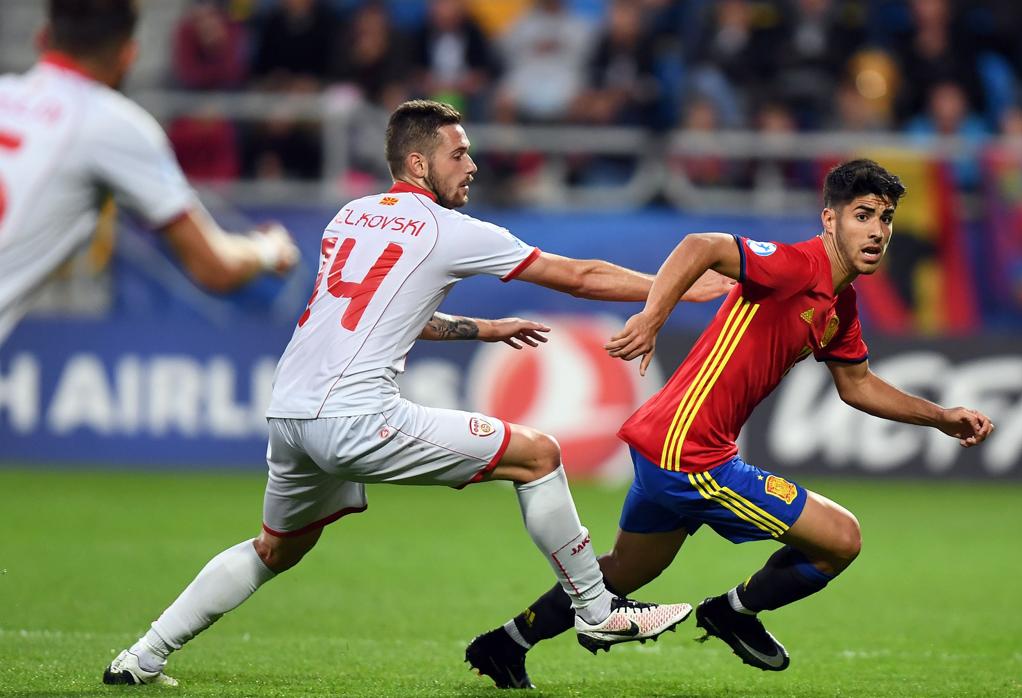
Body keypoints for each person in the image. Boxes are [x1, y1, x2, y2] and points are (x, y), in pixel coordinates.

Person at [103, 99, 733, 687]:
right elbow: (580, 277)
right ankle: (596, 610)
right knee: (537, 455)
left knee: (274, 547)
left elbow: (377, 310)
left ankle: (141, 657)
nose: (473, 165)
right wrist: (671, 288)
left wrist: (484, 328)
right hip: (354, 416)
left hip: (290, 412)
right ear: (417, 162)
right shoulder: (447, 229)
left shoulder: (349, 216)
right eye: (458, 153)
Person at [465, 159, 996, 688]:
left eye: (886, 218)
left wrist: (941, 417)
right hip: (689, 456)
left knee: (622, 572)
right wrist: (653, 316)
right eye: (863, 215)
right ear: (830, 220)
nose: (878, 230)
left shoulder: (840, 302)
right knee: (841, 540)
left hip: (667, 447)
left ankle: (505, 644)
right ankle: (733, 612)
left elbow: (857, 385)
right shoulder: (794, 266)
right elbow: (702, 244)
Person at [0, 0, 300, 346]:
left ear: (43, 37)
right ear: (128, 55)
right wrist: (269, 249)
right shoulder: (112, 124)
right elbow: (215, 267)